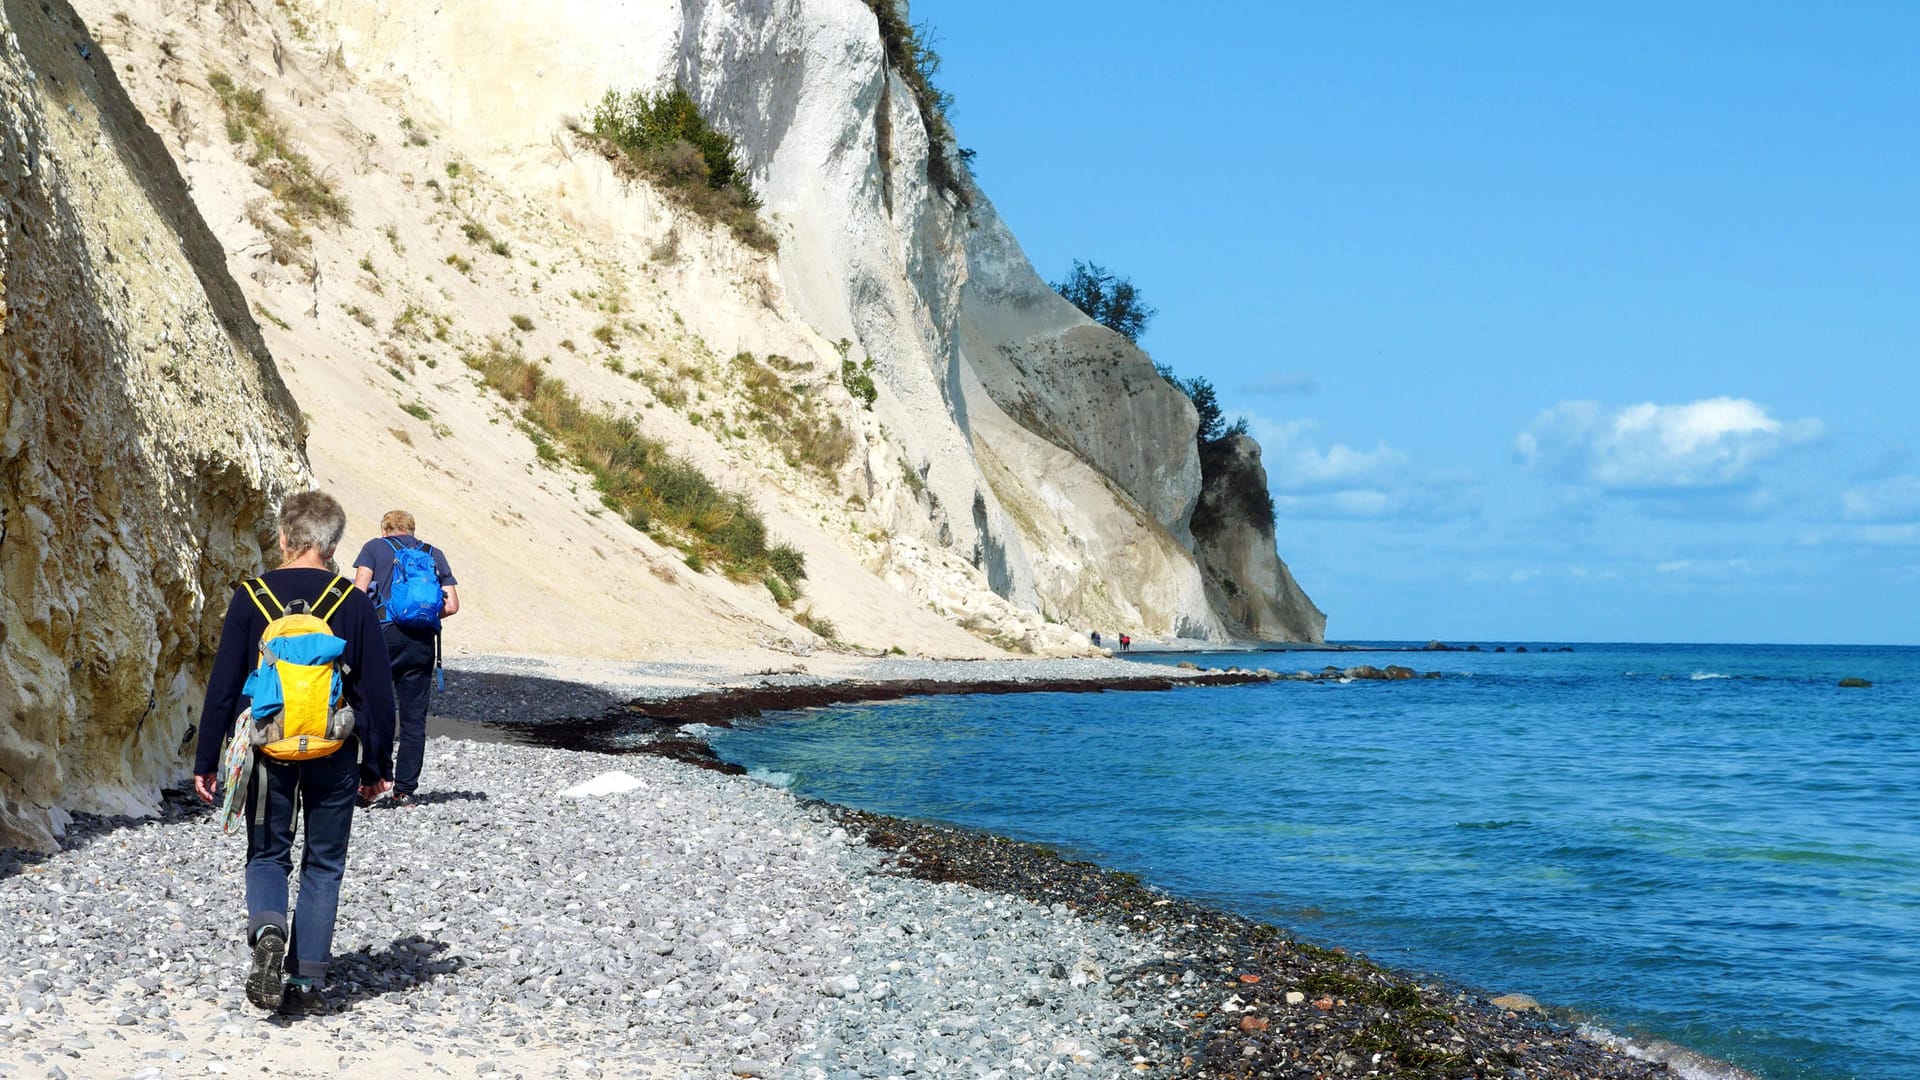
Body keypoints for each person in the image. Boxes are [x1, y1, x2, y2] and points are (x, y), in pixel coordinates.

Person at [193, 491, 395, 1015]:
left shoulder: (252, 596)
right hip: (334, 747)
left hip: (269, 746)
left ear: (284, 538)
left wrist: (207, 761)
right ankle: (304, 983)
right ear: (332, 545)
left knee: (266, 855)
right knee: (323, 865)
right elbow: (377, 690)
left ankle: (267, 931)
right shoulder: (351, 602)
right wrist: (378, 766)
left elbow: (223, 685)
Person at [352, 509, 458, 807]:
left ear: (384, 529)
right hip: (422, 643)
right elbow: (452, 606)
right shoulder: (433, 553)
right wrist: (420, 615)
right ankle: (405, 789)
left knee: (374, 710)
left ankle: (371, 782)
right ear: (412, 530)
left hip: (383, 638)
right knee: (413, 719)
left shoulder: (374, 547)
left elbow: (359, 595)